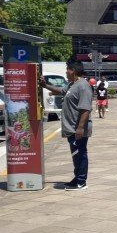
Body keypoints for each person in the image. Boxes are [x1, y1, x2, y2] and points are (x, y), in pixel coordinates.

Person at [40, 60, 92, 190]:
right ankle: (77, 178)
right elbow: (61, 91)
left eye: (67, 69)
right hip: (71, 128)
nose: (66, 72)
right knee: (76, 155)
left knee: (80, 154)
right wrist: (45, 85)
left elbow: (86, 109)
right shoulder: (72, 85)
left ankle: (81, 182)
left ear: (73, 70)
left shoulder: (83, 86)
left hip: (77, 129)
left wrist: (80, 128)